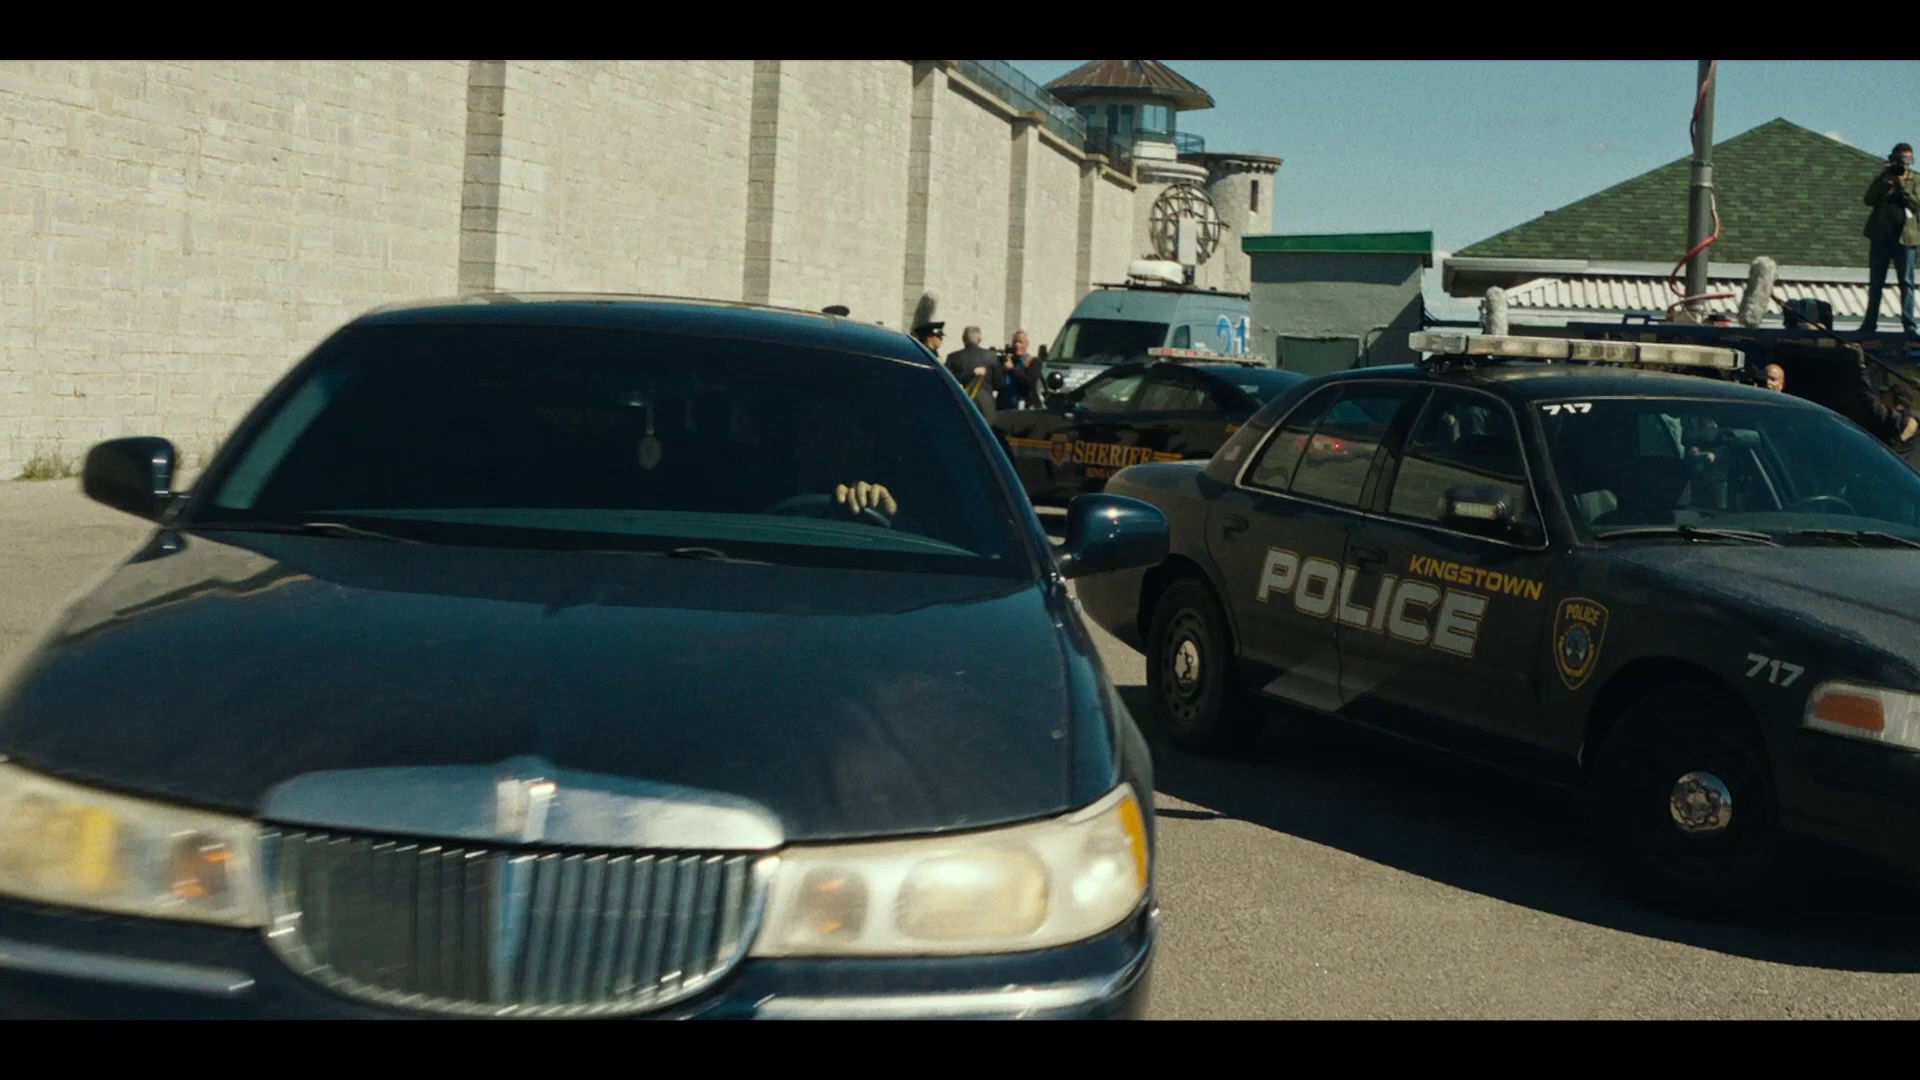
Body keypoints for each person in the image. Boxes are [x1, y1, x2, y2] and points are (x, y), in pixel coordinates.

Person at [1861, 143, 1920, 335]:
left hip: (1906, 238)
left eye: (1908, 161)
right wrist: (1886, 181)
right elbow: (1868, 199)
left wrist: (1901, 184)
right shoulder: (1884, 178)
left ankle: (1909, 324)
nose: (1904, 165)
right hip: (1881, 236)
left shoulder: (1916, 180)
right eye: (1900, 160)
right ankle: (1870, 323)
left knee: (1907, 282)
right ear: (1892, 160)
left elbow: (1916, 204)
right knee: (1876, 282)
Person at [946, 326, 1002, 418]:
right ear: (979, 340)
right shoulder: (992, 356)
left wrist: (970, 373)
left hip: (962, 403)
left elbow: (948, 380)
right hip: (986, 406)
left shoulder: (953, 358)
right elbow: (998, 384)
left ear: (963, 339)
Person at [997, 330, 1037, 410]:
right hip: (1004, 406)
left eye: (1020, 342)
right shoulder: (1008, 360)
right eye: (1015, 342)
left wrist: (1012, 369)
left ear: (1026, 344)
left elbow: (1030, 383)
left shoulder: (1033, 361)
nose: (1017, 345)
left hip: (1022, 406)